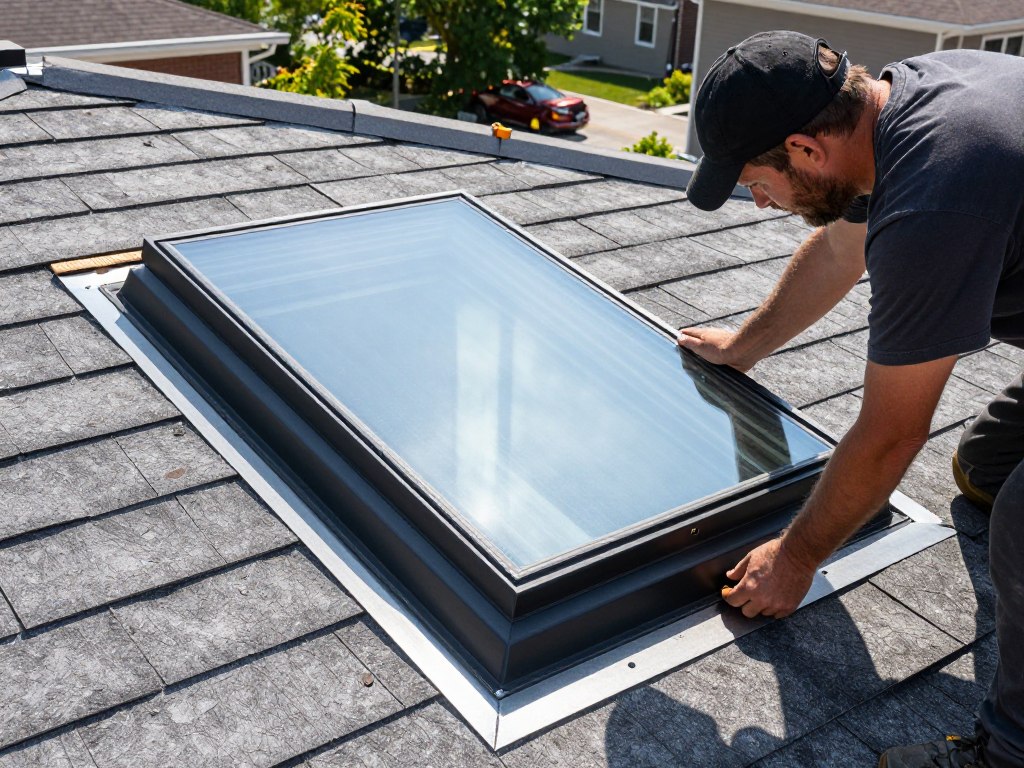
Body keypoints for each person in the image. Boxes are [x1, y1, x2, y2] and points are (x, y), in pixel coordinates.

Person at [679, 30, 1024, 768]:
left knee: (1022, 522)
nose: (756, 198)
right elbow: (841, 248)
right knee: (985, 472)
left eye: (754, 179)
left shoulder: (936, 199)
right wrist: (745, 347)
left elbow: (893, 433)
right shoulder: (899, 105)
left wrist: (797, 558)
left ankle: (1009, 753)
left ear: (806, 148)